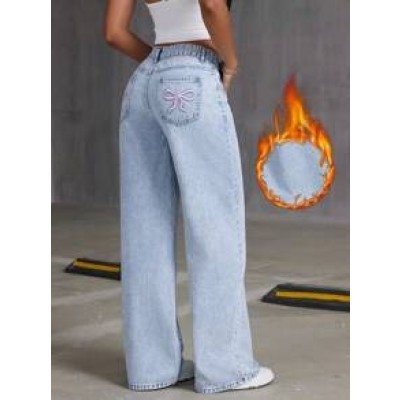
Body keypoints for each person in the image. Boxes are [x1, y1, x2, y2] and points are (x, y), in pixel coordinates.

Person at [104, 0, 274, 394]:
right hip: (193, 75)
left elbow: (114, 32)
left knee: (145, 233)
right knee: (214, 226)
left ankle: (151, 368)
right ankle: (226, 369)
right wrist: (229, 62)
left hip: (144, 83)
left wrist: (161, 64)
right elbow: (212, 5)